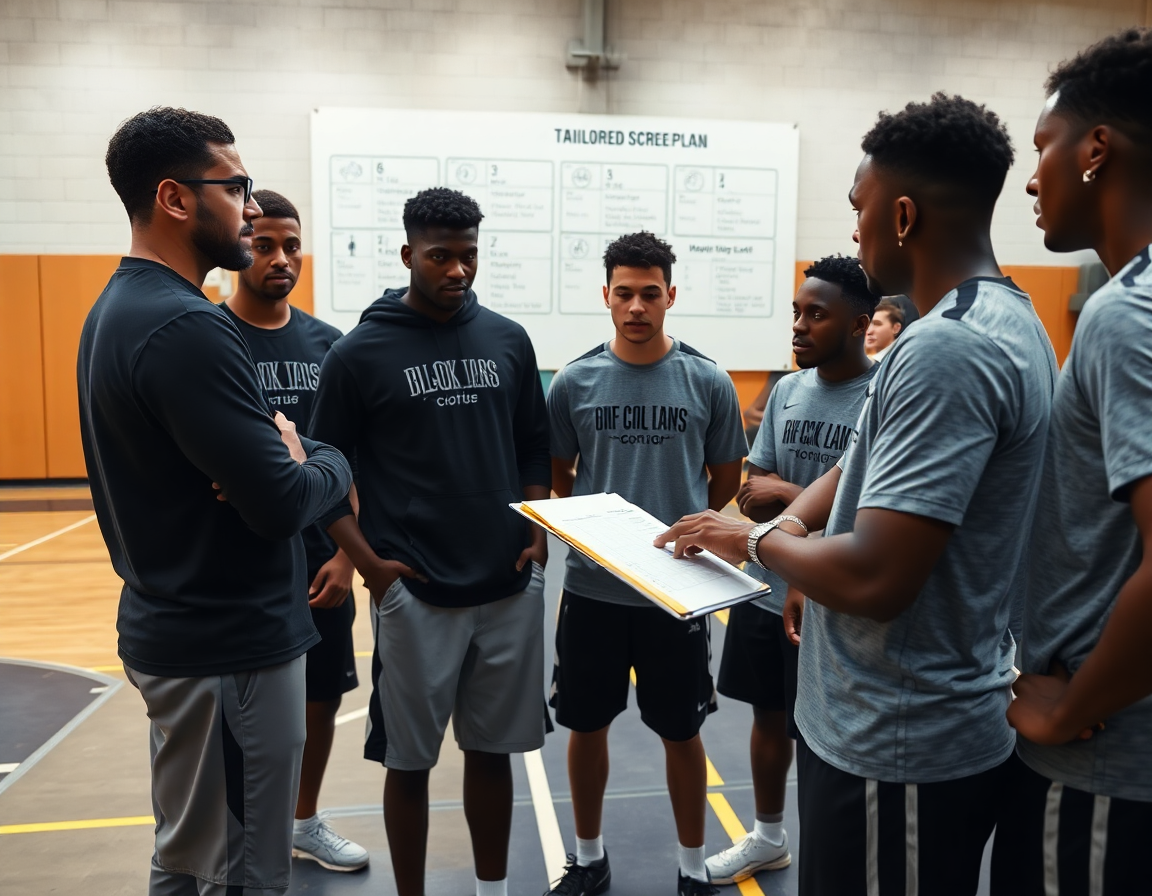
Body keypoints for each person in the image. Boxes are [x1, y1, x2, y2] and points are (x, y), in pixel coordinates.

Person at [655, 93, 1058, 895]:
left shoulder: (947, 348)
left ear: (902, 215)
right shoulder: (1007, 321)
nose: (853, 229)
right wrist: (805, 541)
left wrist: (755, 544)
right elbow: (856, 462)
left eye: (858, 208)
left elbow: (877, 579)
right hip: (906, 719)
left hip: (898, 735)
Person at [78, 108, 353, 896]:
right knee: (240, 872)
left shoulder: (119, 310)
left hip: (184, 632)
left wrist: (286, 465)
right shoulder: (185, 327)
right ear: (173, 198)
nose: (250, 206)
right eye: (233, 188)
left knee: (190, 856)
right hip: (227, 647)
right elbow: (279, 501)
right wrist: (320, 456)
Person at [309, 187, 551, 896]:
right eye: (441, 257)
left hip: (507, 584)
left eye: (469, 256)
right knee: (408, 763)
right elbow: (322, 472)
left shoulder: (508, 339)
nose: (457, 271)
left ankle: (492, 888)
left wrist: (538, 532)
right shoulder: (360, 353)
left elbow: (534, 447)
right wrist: (370, 567)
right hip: (414, 591)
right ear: (408, 253)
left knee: (492, 753)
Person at [990, 29, 1152, 895]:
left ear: (1096, 151)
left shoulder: (1126, 316)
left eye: (1043, 146)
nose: (1030, 175)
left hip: (1107, 762)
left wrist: (1074, 707)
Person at [544, 232, 747, 896]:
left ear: (671, 296)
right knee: (586, 726)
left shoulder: (707, 380)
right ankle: (589, 858)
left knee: (682, 732)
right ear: (606, 295)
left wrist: (678, 527)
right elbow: (559, 475)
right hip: (594, 591)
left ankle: (692, 869)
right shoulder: (574, 381)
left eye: (649, 293)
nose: (636, 306)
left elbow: (721, 483)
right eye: (624, 293)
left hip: (676, 593)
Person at [706, 255, 878, 886]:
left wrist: (789, 495)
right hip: (762, 589)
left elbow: (869, 516)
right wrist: (788, 497)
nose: (800, 327)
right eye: (797, 314)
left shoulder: (882, 394)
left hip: (827, 599)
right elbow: (753, 490)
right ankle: (768, 836)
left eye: (817, 315)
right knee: (767, 717)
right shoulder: (786, 389)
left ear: (860, 323)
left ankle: (825, 850)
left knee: (822, 736)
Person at [220, 189, 369, 873]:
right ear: (239, 245)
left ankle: (303, 822)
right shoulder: (208, 335)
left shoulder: (328, 344)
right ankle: (242, 834)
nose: (280, 258)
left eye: (290, 245)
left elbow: (348, 455)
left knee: (322, 693)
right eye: (264, 244)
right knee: (236, 713)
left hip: (318, 556)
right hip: (240, 562)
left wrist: (346, 555)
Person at [864, 295, 904, 360]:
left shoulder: (902, 358)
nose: (869, 331)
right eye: (867, 325)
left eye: (877, 324)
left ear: (896, 328)